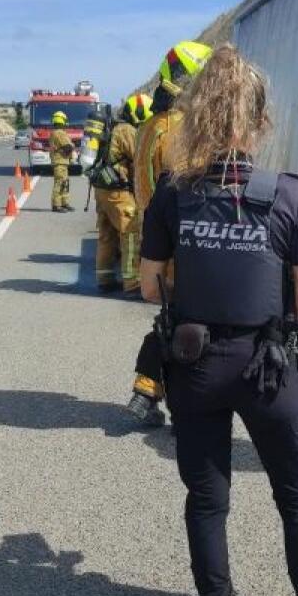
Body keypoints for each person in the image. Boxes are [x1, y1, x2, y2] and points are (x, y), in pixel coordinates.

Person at [138, 44, 298, 596]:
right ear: (259, 121)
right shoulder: (289, 194)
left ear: (197, 116)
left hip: (193, 360)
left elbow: (150, 284)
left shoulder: (175, 194)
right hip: (265, 367)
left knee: (207, 497)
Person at [126, 41, 213, 426]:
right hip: (183, 242)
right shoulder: (183, 132)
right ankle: (181, 406)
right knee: (191, 323)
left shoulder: (148, 127)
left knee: (171, 317)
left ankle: (147, 390)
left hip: (156, 240)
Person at [90, 94, 151, 293]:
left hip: (102, 189)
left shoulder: (113, 127)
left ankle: (105, 278)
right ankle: (132, 282)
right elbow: (139, 156)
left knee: (106, 234)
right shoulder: (127, 130)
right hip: (117, 191)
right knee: (131, 231)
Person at [49, 111, 75, 213]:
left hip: (61, 161)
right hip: (60, 161)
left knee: (64, 183)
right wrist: (72, 146)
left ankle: (64, 203)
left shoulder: (55, 132)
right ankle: (56, 205)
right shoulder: (60, 133)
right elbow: (68, 146)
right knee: (60, 183)